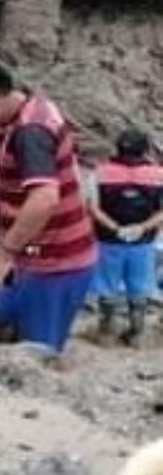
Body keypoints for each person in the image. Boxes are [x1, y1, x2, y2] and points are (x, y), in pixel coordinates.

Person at [0, 60, 98, 354]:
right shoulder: (30, 108)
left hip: (55, 263)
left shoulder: (30, 132)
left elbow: (43, 199)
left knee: (36, 352)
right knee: (3, 325)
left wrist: (3, 253)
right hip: (30, 257)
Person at [86, 129, 163, 345]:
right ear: (145, 150)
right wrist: (141, 227)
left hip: (108, 241)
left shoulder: (99, 173)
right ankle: (137, 333)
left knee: (106, 286)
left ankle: (105, 333)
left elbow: (92, 208)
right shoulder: (158, 175)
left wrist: (115, 227)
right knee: (139, 287)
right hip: (143, 243)